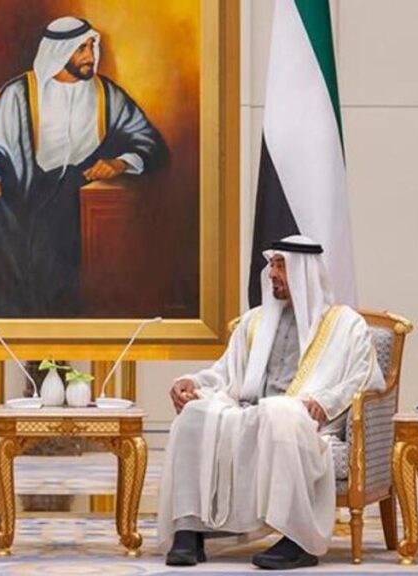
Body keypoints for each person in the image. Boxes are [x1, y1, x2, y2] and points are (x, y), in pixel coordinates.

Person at [157, 235, 384, 570]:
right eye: (272, 266)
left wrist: (325, 401)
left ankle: (297, 540)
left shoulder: (345, 325)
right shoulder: (255, 321)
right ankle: (189, 530)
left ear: (304, 272)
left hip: (305, 418)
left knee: (283, 413)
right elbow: (226, 371)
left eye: (282, 266)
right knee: (194, 413)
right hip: (251, 412)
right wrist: (194, 382)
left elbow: (362, 377)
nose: (273, 274)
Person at [0, 15, 165, 318]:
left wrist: (120, 163)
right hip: (19, 186)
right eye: (81, 49)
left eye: (92, 47)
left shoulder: (106, 95)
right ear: (59, 52)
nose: (90, 56)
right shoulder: (20, 93)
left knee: (52, 237)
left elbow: (147, 139)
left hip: (74, 189)